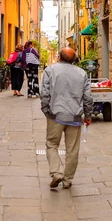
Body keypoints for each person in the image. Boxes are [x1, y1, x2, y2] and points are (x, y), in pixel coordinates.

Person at [40, 47, 93, 189]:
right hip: (75, 116)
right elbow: (88, 97)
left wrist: (46, 110)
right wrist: (88, 115)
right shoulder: (82, 73)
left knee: (51, 145)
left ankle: (56, 172)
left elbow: (44, 93)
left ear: (59, 57)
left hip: (55, 115)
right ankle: (68, 180)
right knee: (73, 149)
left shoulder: (50, 71)